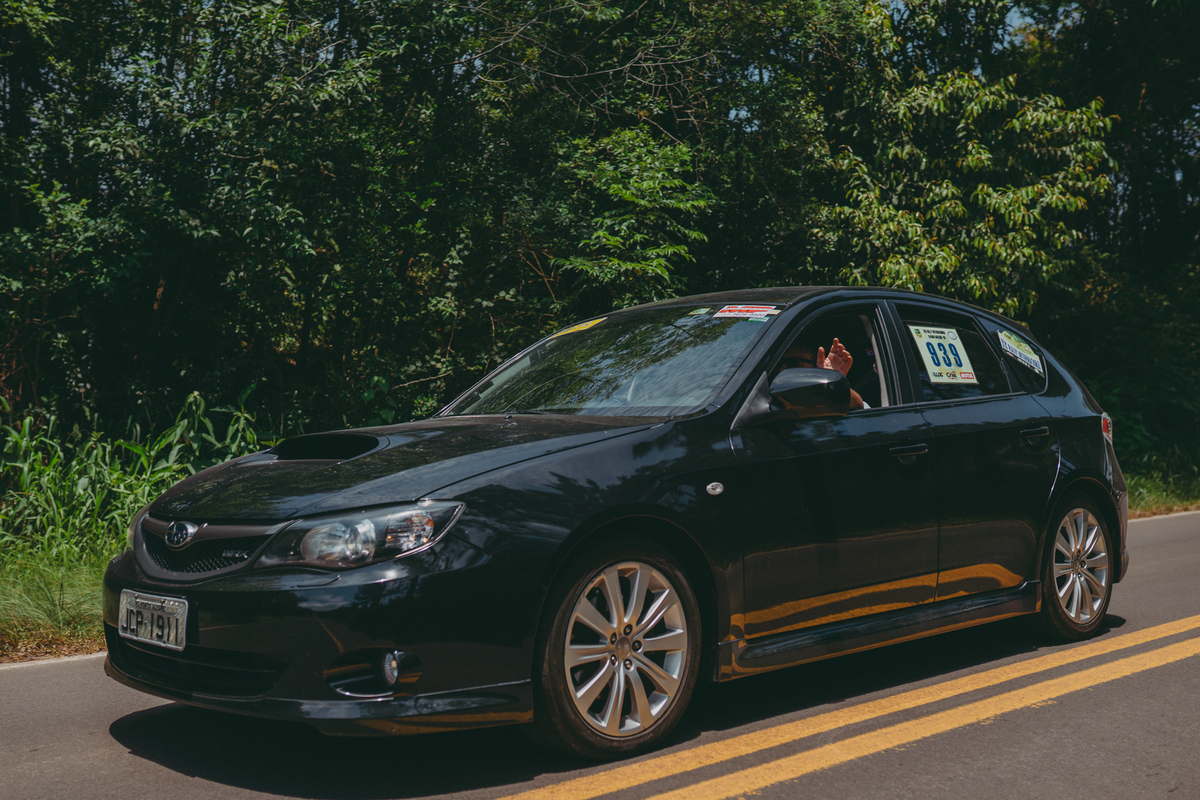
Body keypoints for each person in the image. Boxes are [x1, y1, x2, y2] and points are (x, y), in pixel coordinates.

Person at [777, 337, 867, 410]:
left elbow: (860, 406)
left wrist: (832, 381)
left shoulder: (827, 398)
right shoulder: (773, 398)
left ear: (815, 367)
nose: (782, 369)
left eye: (793, 363)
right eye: (780, 363)